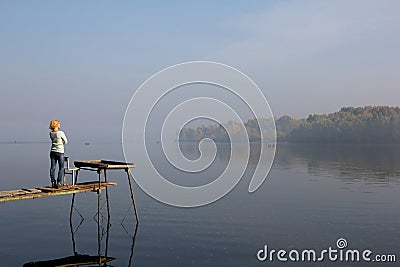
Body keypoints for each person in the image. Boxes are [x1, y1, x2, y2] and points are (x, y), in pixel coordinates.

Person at [49, 120, 68, 188]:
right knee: (61, 168)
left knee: (52, 168)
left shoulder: (51, 133)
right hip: (60, 152)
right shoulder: (61, 133)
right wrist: (61, 142)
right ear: (57, 125)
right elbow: (66, 141)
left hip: (52, 152)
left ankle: (53, 182)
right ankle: (59, 182)